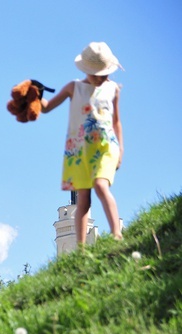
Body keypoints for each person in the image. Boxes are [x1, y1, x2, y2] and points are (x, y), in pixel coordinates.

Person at [41, 41, 124, 243]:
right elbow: (47, 107)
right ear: (87, 70)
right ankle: (81, 250)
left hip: (105, 146)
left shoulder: (113, 89)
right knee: (83, 199)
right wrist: (35, 94)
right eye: (96, 73)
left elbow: (116, 121)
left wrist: (120, 149)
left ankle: (117, 234)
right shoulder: (74, 87)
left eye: (103, 73)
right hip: (79, 150)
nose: (100, 77)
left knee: (101, 185)